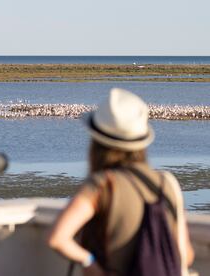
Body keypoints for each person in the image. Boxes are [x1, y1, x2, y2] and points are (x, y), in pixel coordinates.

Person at [48, 88, 194, 276]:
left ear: (97, 142)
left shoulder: (102, 185)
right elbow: (186, 255)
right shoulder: (167, 183)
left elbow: (57, 238)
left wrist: (89, 262)